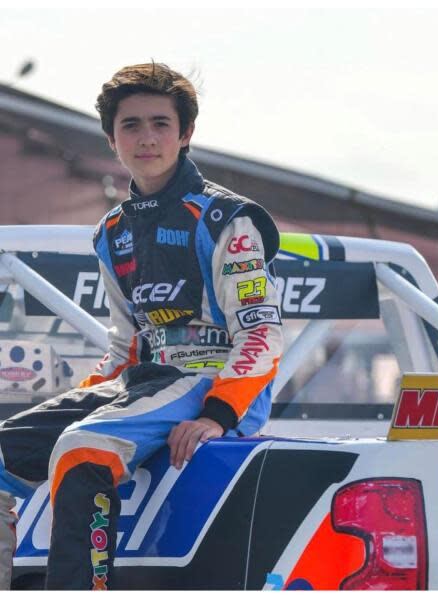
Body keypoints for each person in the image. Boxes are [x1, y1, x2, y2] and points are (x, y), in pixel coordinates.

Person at [0, 62, 283, 590]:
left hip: (214, 384)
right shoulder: (111, 231)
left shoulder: (227, 219)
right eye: (131, 125)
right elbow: (125, 345)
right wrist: (83, 396)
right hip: (144, 382)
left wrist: (219, 414)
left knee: (82, 448)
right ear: (112, 138)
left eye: (160, 124)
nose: (147, 137)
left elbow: (261, 332)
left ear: (186, 134)